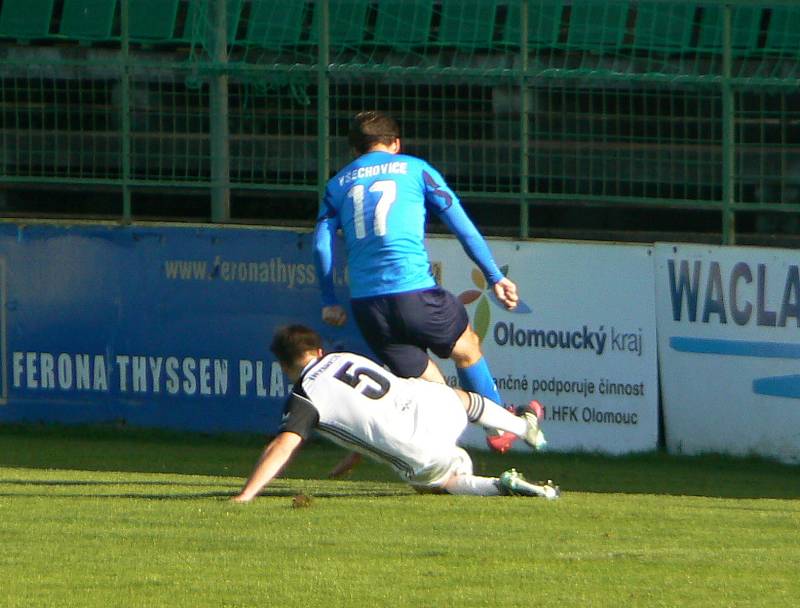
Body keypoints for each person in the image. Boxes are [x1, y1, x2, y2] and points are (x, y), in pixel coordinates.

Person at [314, 110, 521, 453]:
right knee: (467, 348)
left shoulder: (337, 185)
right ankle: (499, 427)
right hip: (414, 292)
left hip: (369, 306)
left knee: (434, 394)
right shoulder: (415, 169)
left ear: (354, 151)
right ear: (395, 143)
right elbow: (461, 224)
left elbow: (322, 244)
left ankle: (438, 466)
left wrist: (328, 299)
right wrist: (494, 276)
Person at [232, 325, 556, 503]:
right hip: (438, 407)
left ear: (285, 366)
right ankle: (521, 425)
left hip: (418, 447)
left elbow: (283, 446)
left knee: (439, 483)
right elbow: (366, 409)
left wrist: (247, 495)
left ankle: (503, 485)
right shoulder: (345, 357)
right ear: (318, 352)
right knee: (460, 399)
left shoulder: (304, 396)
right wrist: (352, 458)